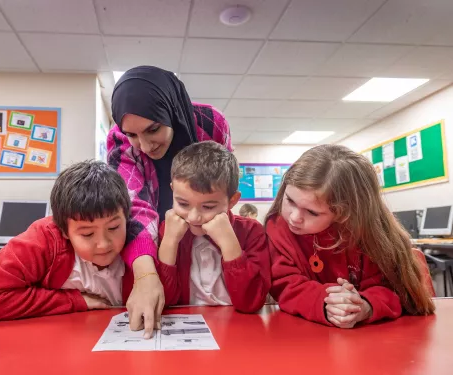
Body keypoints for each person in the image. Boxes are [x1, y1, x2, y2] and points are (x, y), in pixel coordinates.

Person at [107, 66, 232, 335]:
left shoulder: (211, 123)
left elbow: (223, 181)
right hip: (153, 241)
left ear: (171, 112)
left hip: (204, 233)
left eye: (153, 129)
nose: (144, 144)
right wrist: (146, 275)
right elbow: (133, 207)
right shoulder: (119, 139)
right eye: (132, 134)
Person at [265, 144, 435, 328]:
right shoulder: (278, 228)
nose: (294, 217)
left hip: (375, 341)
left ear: (344, 213)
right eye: (290, 200)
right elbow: (285, 284)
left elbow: (399, 291)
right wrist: (328, 303)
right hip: (306, 341)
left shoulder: (371, 236)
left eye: (312, 212)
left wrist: (365, 305)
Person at [0, 161, 134, 321]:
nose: (103, 244)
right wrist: (74, 300)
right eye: (87, 234)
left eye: (113, 228)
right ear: (64, 231)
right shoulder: (42, 240)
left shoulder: (141, 238)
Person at [156, 141, 270, 313]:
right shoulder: (169, 229)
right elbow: (164, 301)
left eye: (208, 207)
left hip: (237, 328)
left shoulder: (251, 231)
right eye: (183, 203)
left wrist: (229, 244)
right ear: (173, 191)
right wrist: (170, 242)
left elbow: (251, 303)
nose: (194, 217)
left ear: (232, 201)